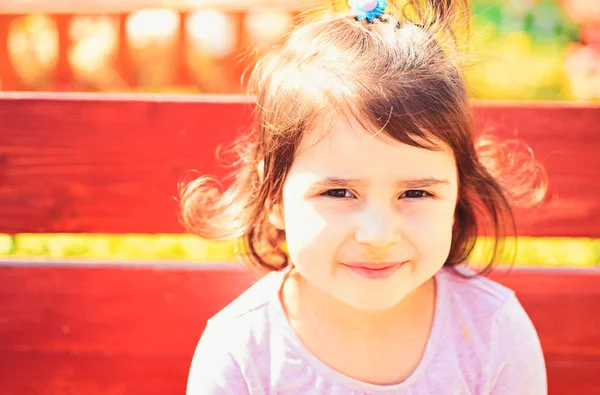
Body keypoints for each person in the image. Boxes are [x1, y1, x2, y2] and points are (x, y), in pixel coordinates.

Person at [181, 0, 548, 393]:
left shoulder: (492, 331)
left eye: (416, 192)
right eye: (338, 192)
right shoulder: (243, 351)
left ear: (457, 195)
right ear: (274, 199)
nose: (378, 235)